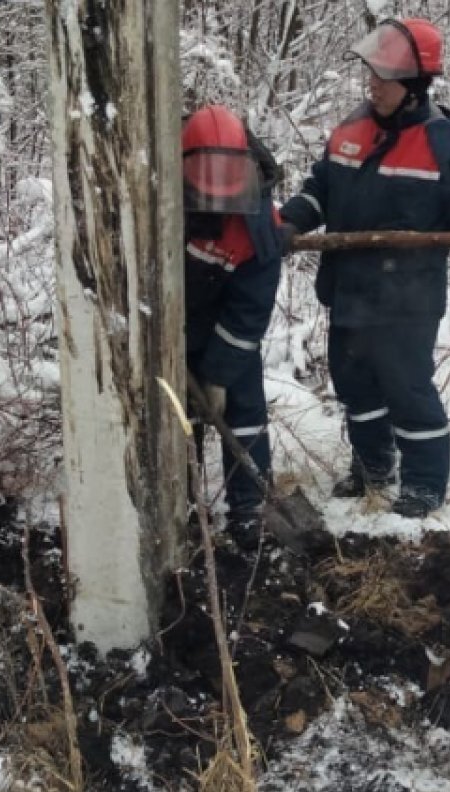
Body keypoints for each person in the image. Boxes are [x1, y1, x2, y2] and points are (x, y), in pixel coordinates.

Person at [279, 18, 450, 518]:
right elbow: (319, 188)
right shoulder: (351, 129)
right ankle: (374, 468)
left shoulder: (443, 140)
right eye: (371, 75)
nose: (371, 85)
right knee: (354, 386)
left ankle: (423, 484)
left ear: (414, 87)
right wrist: (292, 220)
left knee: (407, 389)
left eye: (383, 78)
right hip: (349, 288)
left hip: (407, 299)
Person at [181, 105, 283, 542]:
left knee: (243, 407)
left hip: (226, 319)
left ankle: (250, 509)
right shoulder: (156, 195)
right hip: (170, 323)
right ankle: (179, 502)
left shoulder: (259, 223)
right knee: (175, 417)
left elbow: (250, 311)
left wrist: (219, 376)